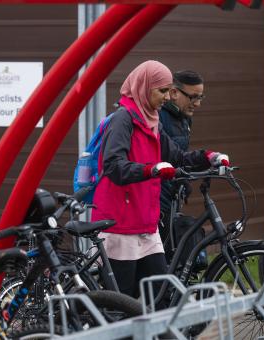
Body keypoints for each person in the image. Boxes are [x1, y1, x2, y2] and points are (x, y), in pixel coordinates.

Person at [90, 60, 230, 298]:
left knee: (158, 294)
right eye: (162, 91)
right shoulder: (123, 120)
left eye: (168, 90)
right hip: (120, 225)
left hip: (145, 223)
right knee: (123, 302)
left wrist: (209, 157)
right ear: (145, 87)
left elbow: (177, 157)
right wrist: (151, 170)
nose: (167, 97)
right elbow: (113, 166)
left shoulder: (152, 121)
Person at [158, 70, 205, 242]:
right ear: (174, 92)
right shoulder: (159, 117)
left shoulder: (184, 118)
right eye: (193, 97)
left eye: (200, 97)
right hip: (157, 200)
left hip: (172, 194)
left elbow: (180, 156)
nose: (197, 103)